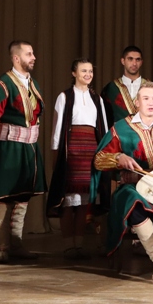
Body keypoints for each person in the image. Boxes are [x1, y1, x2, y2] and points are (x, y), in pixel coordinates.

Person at [91, 83, 153, 285]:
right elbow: (99, 160)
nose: (150, 102)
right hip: (131, 187)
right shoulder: (121, 127)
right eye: (145, 98)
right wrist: (118, 157)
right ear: (137, 103)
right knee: (133, 203)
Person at [0, 40, 46, 262]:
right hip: (8, 148)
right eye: (29, 54)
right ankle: (2, 248)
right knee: (3, 197)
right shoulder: (2, 85)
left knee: (22, 197)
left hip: (28, 149)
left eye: (32, 53)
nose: (33, 57)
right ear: (16, 58)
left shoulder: (33, 84)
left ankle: (16, 244)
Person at [47, 58, 111, 259]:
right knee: (68, 201)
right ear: (74, 73)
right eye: (84, 71)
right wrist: (57, 154)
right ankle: (69, 245)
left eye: (90, 71)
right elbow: (58, 128)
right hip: (72, 151)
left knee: (85, 201)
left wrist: (104, 153)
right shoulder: (64, 97)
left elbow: (103, 128)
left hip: (91, 151)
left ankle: (79, 244)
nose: (88, 74)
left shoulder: (97, 99)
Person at [102, 46, 152, 123]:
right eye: (130, 59)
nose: (134, 63)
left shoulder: (151, 88)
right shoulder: (111, 88)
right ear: (123, 61)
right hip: (119, 130)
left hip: (146, 130)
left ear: (141, 62)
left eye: (137, 59)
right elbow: (104, 118)